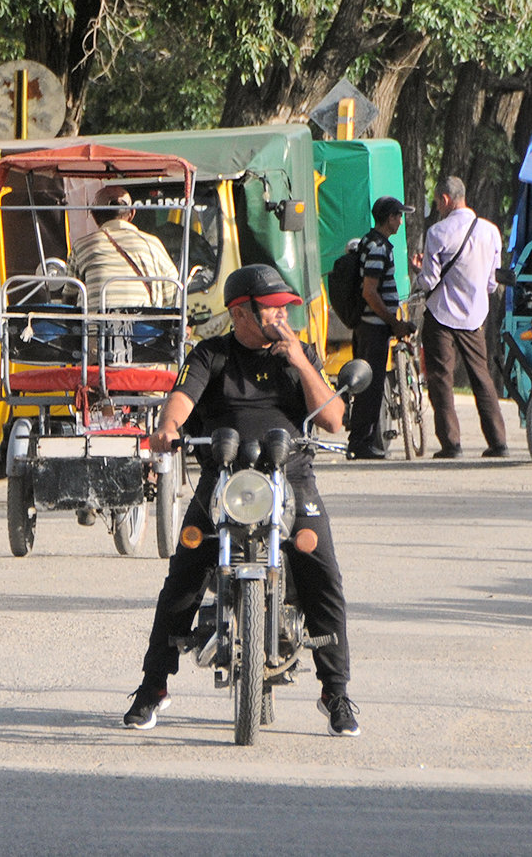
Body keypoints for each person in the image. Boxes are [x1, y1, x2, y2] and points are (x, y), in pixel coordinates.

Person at [126, 264, 360, 737]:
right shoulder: (211, 355)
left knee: (322, 569)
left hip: (289, 477)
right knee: (184, 573)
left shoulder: (300, 352)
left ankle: (335, 691)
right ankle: (152, 688)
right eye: (272, 308)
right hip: (224, 480)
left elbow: (334, 419)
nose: (281, 316)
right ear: (241, 313)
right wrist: (167, 431)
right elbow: (181, 401)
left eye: (284, 308)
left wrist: (298, 357)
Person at [413, 177, 507, 459]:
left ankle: (451, 444)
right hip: (475, 317)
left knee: (441, 378)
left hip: (442, 315)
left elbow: (429, 281)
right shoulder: (491, 232)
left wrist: (417, 274)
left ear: (445, 200)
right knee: (482, 376)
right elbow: (492, 282)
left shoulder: (438, 232)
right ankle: (498, 441)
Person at [345, 196, 412, 460]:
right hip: (373, 328)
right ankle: (360, 442)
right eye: (398, 215)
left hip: (371, 326)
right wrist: (393, 322)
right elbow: (370, 292)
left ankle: (364, 439)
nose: (400, 221)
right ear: (388, 218)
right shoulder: (377, 248)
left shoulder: (371, 242)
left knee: (369, 384)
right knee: (370, 386)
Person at [69, 184, 180, 308]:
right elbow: (173, 293)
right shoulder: (153, 244)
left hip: (95, 326)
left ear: (94, 215)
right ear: (132, 213)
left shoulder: (82, 246)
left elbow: (69, 296)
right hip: (146, 325)